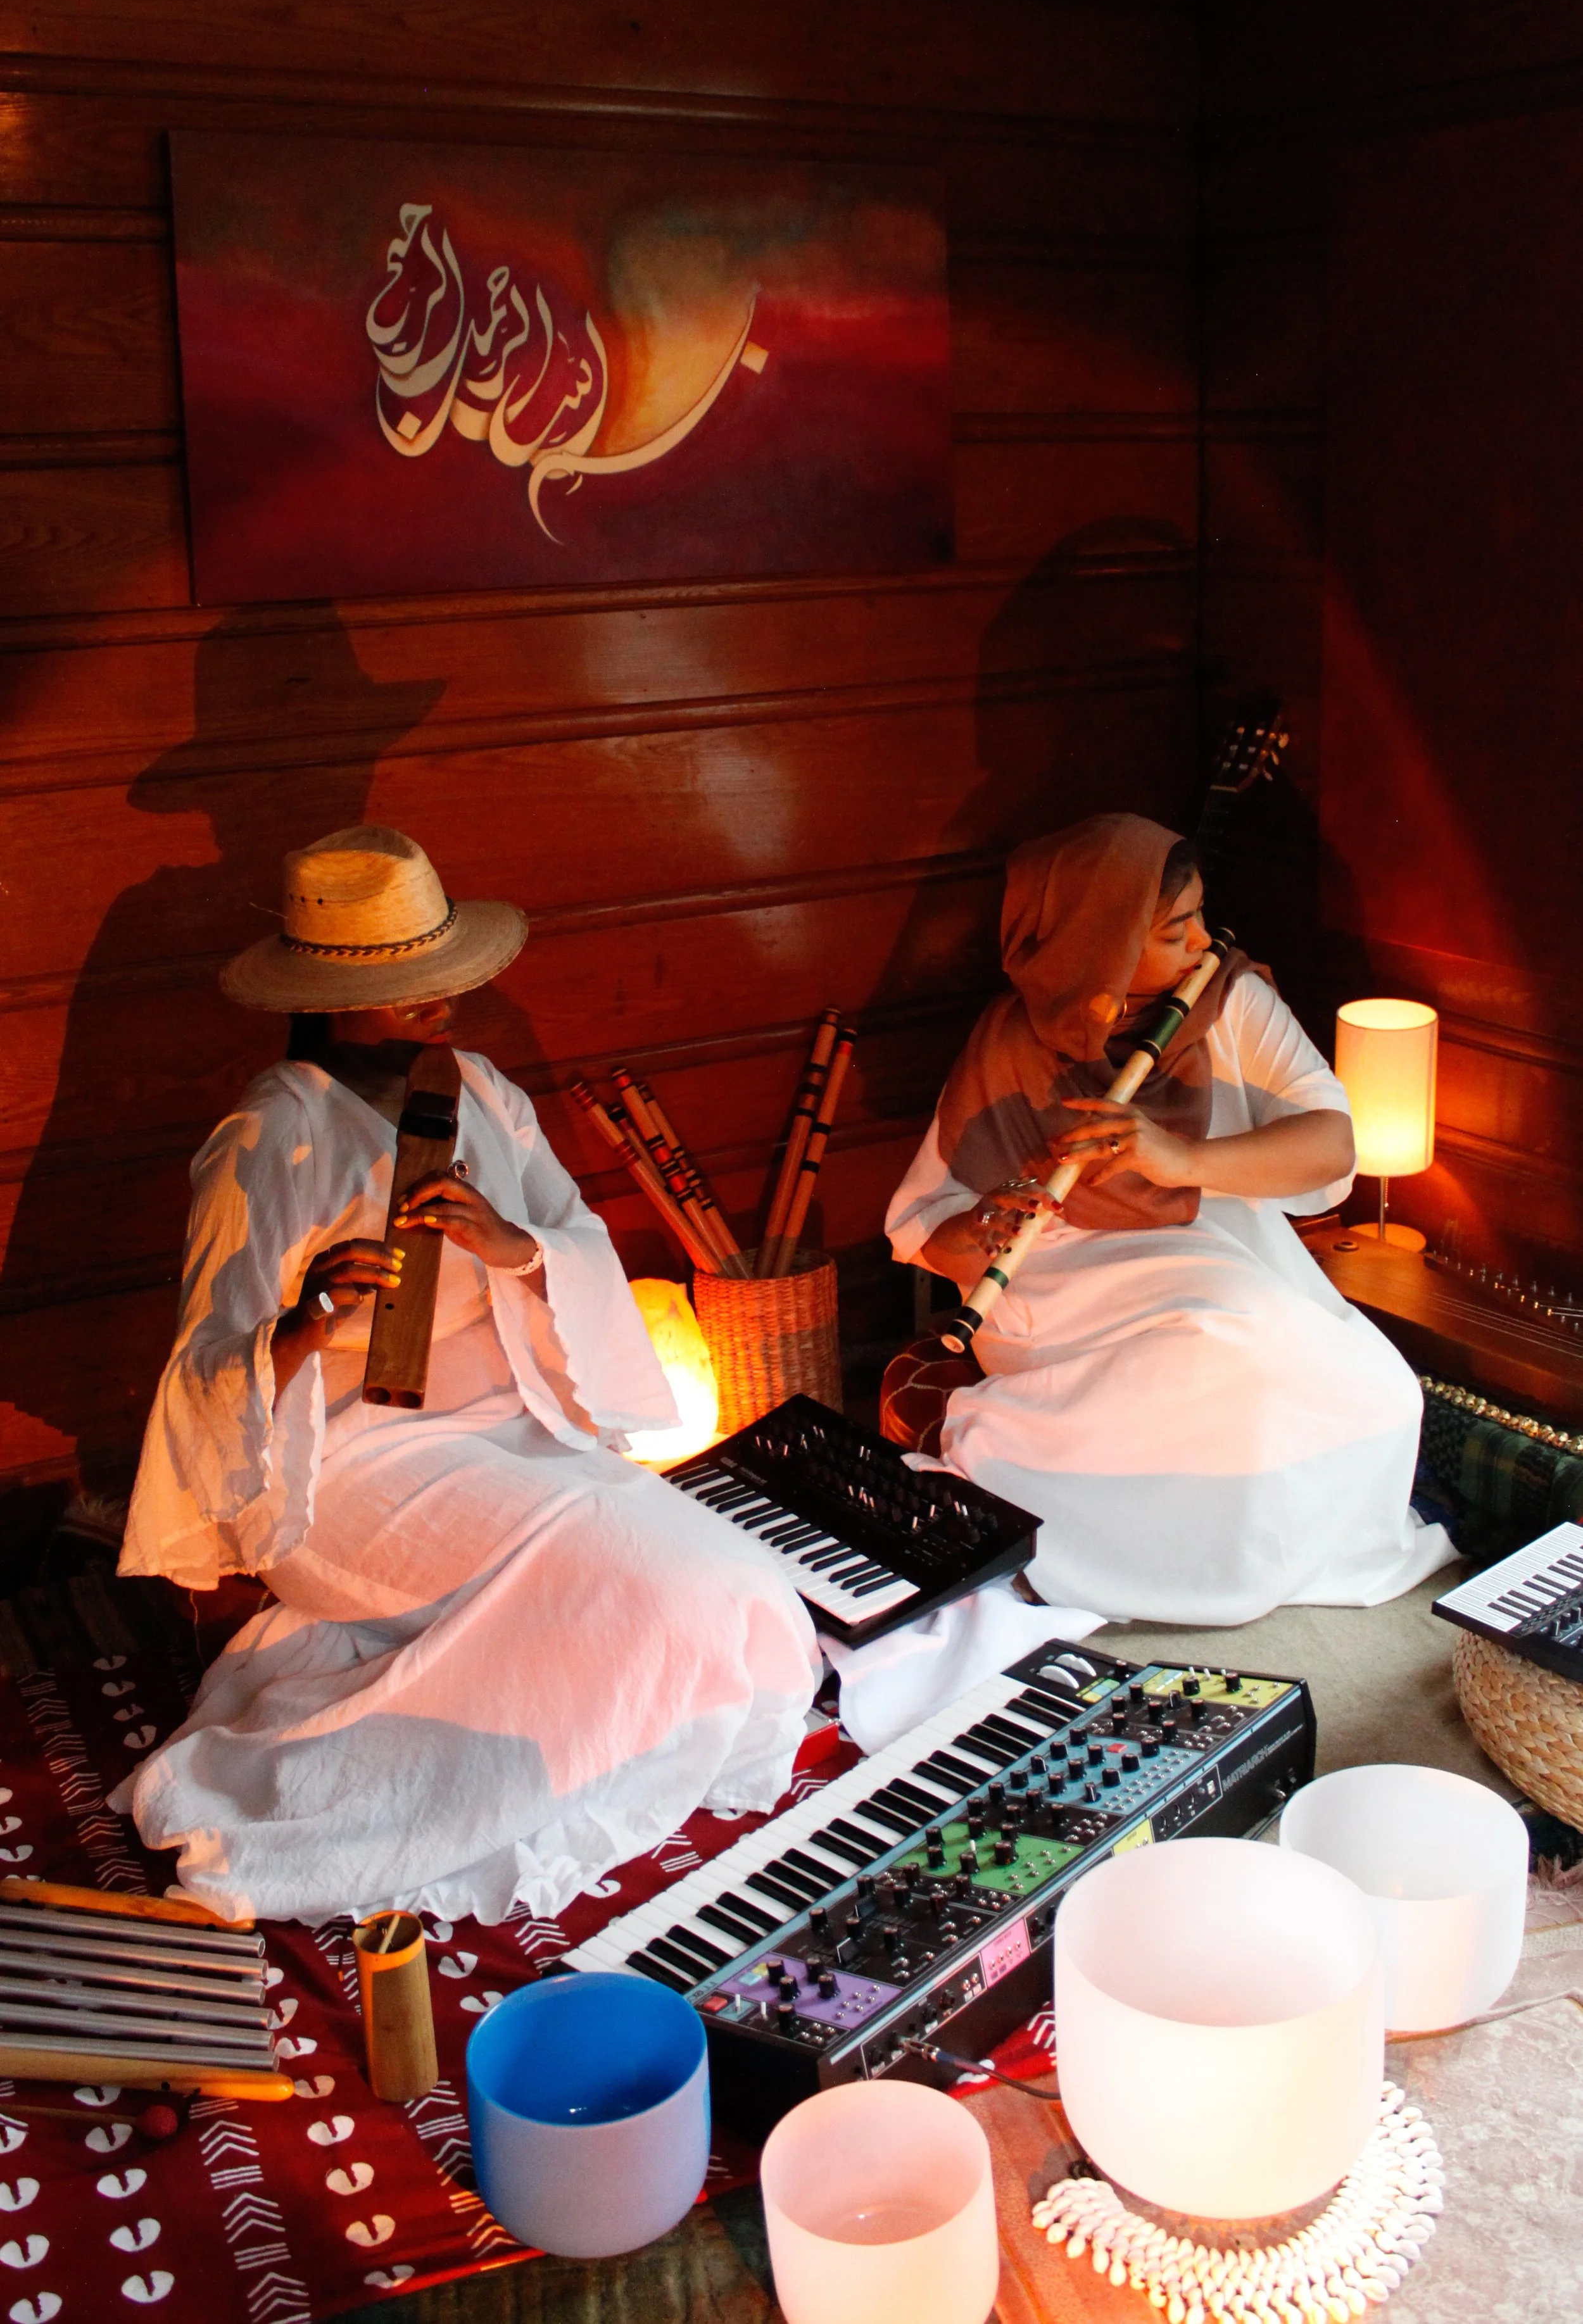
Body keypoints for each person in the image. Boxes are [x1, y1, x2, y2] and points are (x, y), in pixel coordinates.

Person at [112, 826, 819, 1925]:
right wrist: (306, 1322)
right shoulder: (272, 1134)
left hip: (513, 1427)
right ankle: (368, 1802)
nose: (441, 1001)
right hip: (352, 1468)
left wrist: (516, 1247)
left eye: (441, 972)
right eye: (409, 985)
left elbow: (575, 1236)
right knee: (653, 1600)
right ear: (332, 998)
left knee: (745, 1588)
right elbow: (207, 1362)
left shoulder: (483, 1091)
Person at [886, 813, 1453, 1627]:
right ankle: (1173, 1560)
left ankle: (1250, 1553)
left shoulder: (1228, 999)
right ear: (1101, 940)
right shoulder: (1009, 1038)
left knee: (1379, 1397)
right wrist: (981, 1226)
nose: (1200, 943)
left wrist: (1176, 1159)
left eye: (1197, 916)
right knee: (1224, 1358)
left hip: (1220, 1252)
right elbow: (928, 1229)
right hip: (1060, 1277)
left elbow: (1332, 1144)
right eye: (1172, 929)